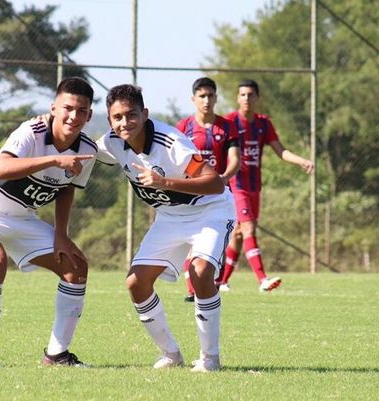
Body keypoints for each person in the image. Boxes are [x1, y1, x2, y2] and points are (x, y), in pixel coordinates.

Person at [0, 77, 97, 368]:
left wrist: (61, 234)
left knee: (76, 267)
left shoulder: (86, 149)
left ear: (89, 115)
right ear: (54, 108)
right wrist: (54, 161)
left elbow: (68, 187)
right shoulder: (32, 131)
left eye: (82, 111)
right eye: (68, 108)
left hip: (21, 218)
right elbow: (2, 169)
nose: (74, 116)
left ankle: (57, 354)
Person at [96, 84, 235, 372]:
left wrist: (164, 182)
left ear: (145, 114)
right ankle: (171, 355)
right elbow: (83, 150)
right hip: (170, 217)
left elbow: (215, 183)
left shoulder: (171, 141)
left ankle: (210, 359)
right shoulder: (110, 141)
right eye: (117, 117)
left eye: (131, 115)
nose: (125, 122)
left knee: (200, 271)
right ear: (109, 120)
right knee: (136, 283)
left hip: (209, 211)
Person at [219, 79, 314, 292]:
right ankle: (262, 279)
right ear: (237, 98)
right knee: (249, 228)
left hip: (255, 187)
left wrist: (301, 160)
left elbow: (281, 151)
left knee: (239, 234)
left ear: (257, 98)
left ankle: (222, 281)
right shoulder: (229, 122)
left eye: (251, 95)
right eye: (243, 95)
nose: (247, 99)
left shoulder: (263, 123)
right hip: (237, 185)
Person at [176, 77, 240, 302]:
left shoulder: (227, 127)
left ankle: (214, 282)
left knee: (218, 240)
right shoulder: (184, 127)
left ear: (216, 98)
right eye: (201, 96)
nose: (206, 100)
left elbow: (235, 159)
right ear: (193, 99)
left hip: (219, 194)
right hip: (192, 194)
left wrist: (223, 178)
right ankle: (193, 290)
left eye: (210, 96)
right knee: (191, 241)